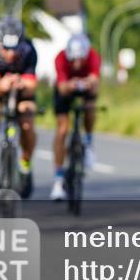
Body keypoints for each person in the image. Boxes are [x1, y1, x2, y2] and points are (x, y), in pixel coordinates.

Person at [0, 16, 39, 197]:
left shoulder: (29, 50)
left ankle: (25, 163)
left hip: (20, 89)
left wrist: (22, 83)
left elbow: (31, 86)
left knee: (27, 120)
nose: (11, 54)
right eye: (6, 49)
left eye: (15, 49)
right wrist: (2, 85)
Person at [49, 33, 101, 201]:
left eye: (81, 60)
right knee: (62, 129)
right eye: (74, 60)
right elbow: (63, 88)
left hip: (85, 88)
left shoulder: (93, 56)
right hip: (65, 89)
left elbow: (94, 81)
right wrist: (72, 85)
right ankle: (58, 179)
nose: (77, 64)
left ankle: (88, 141)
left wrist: (88, 83)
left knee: (91, 106)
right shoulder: (61, 58)